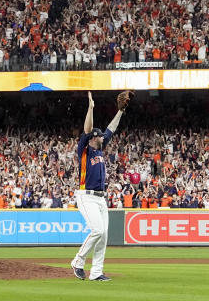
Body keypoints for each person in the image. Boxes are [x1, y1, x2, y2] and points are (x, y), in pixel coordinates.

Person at [71, 91, 128, 282]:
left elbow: (112, 127)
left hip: (100, 198)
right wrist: (91, 107)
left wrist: (120, 111)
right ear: (95, 138)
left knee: (103, 237)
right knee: (97, 231)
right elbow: (87, 129)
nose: (104, 137)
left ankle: (96, 272)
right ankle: (78, 261)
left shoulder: (101, 150)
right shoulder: (85, 150)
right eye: (101, 136)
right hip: (86, 196)